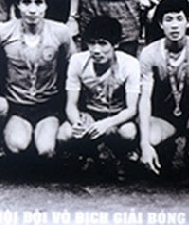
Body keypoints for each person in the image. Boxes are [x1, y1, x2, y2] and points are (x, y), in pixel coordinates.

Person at [138, 0, 189, 192]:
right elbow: (145, 99)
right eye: (168, 19)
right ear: (160, 24)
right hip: (166, 116)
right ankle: (166, 150)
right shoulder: (149, 52)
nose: (174, 25)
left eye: (179, 19)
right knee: (151, 137)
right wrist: (144, 144)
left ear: (188, 22)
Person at [0, 0, 72, 159]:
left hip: (48, 105)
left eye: (38, 2)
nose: (33, 9)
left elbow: (70, 69)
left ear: (46, 5)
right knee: (17, 145)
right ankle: (0, 147)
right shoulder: (2, 32)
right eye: (26, 2)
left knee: (46, 149)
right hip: (17, 105)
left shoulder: (60, 32)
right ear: (17, 5)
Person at [58, 16, 140, 178]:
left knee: (128, 132)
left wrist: (107, 123)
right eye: (92, 43)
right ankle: (87, 154)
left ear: (115, 44)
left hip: (117, 117)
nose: (96, 50)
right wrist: (77, 123)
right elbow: (71, 104)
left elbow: (132, 109)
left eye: (103, 43)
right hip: (90, 114)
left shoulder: (129, 64)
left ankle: (122, 156)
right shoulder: (77, 61)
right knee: (64, 134)